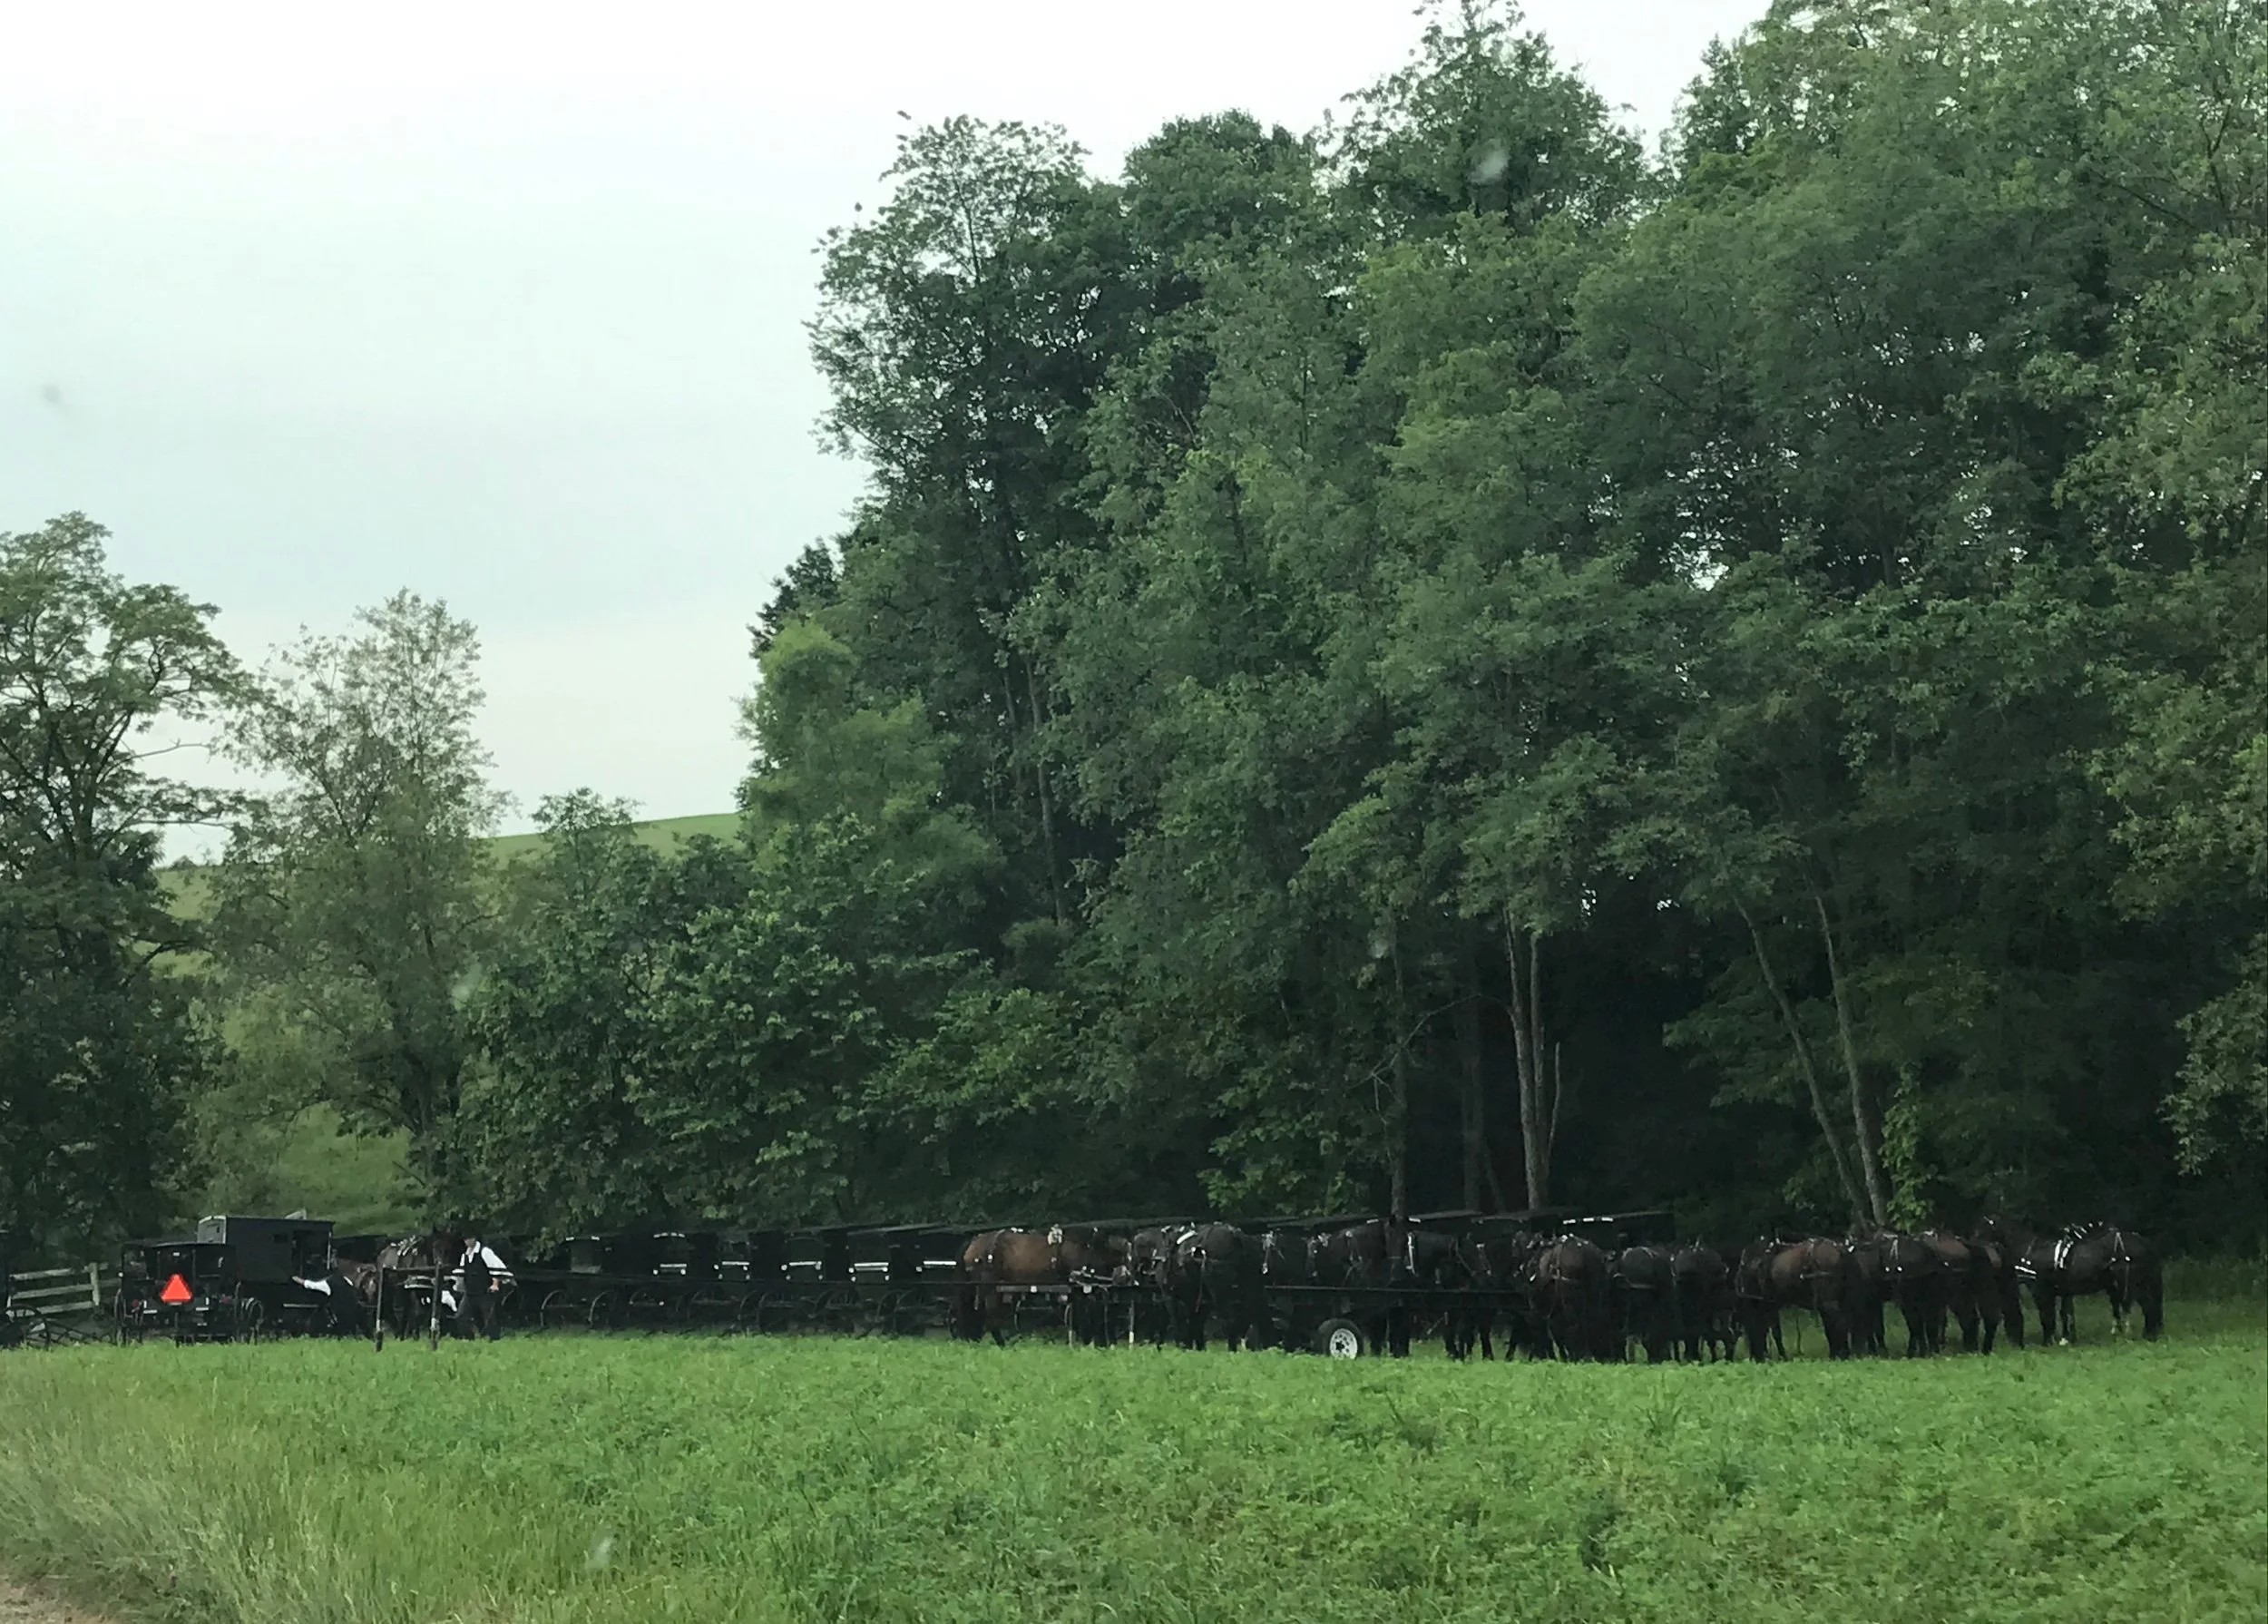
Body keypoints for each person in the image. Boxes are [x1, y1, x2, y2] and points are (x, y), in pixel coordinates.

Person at [452, 1235, 511, 1341]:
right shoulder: (464, 1256)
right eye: (465, 1239)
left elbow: (496, 1268)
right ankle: (470, 1339)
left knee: (489, 1320)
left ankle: (495, 1341)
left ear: (474, 1238)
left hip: (484, 1291)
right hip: (470, 1293)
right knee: (460, 1317)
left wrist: (495, 1284)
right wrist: (457, 1286)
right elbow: (461, 1273)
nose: (467, 1241)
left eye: (469, 1238)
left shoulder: (485, 1252)